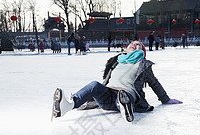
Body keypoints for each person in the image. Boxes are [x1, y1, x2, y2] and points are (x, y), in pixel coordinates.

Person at [52, 41, 182, 123]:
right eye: (132, 43)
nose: (133, 44)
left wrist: (166, 99)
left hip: (128, 94)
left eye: (138, 45)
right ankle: (68, 105)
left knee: (123, 95)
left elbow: (154, 83)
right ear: (126, 49)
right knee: (94, 85)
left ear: (142, 51)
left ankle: (124, 107)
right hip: (107, 95)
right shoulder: (117, 61)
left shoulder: (143, 64)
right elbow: (105, 80)